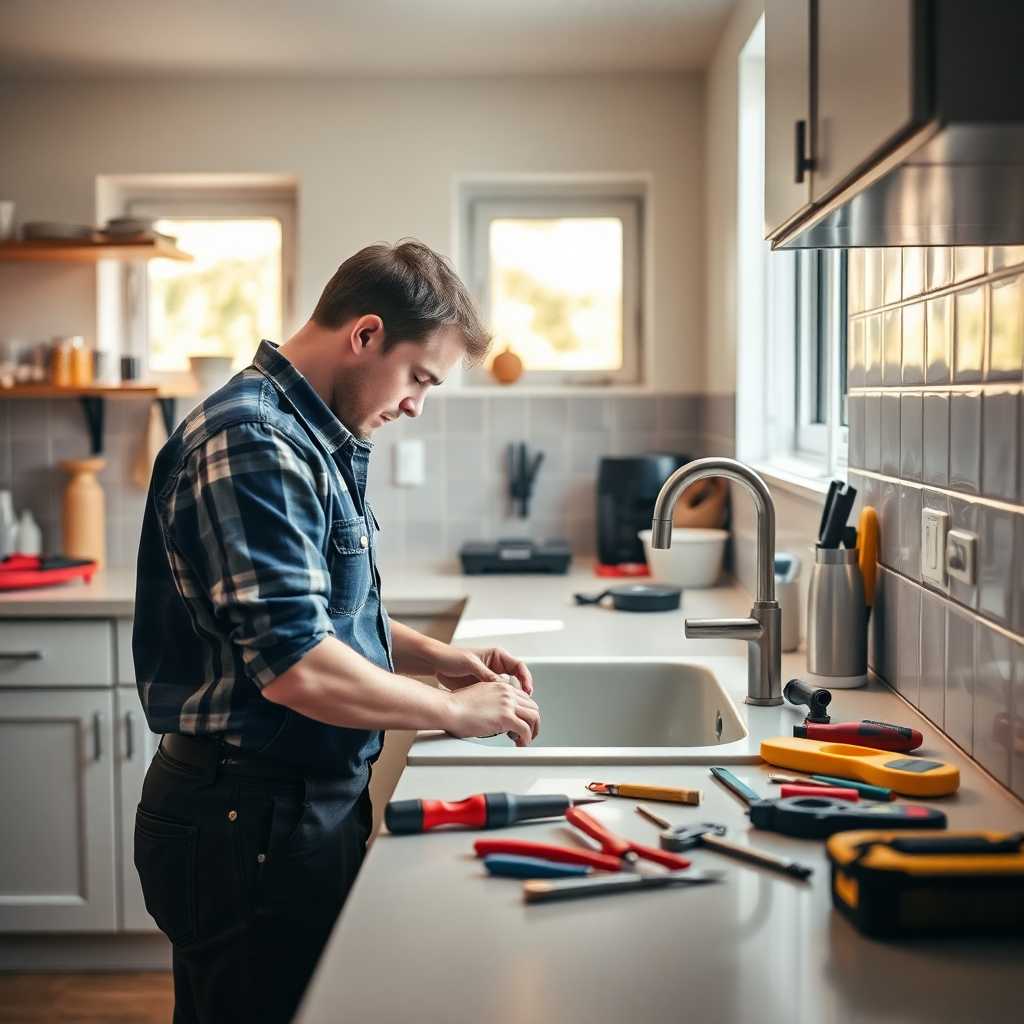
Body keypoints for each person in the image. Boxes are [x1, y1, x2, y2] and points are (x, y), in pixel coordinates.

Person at [132, 240, 542, 1024]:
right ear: (365, 335)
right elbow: (297, 667)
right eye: (420, 377)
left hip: (282, 808)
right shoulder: (256, 442)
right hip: (245, 817)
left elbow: (312, 609)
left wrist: (436, 657)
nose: (418, 404)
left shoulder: (305, 434)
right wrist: (453, 711)